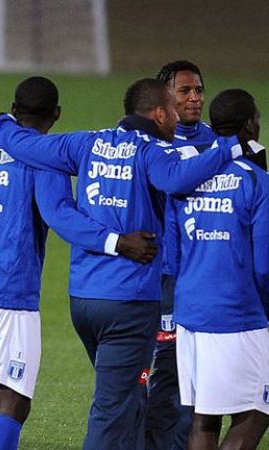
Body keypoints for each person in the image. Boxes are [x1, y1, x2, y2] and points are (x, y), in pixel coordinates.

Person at [0, 78, 250, 449]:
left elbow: (23, 144)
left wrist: (1, 123)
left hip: (84, 300)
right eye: (173, 112)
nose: (177, 120)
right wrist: (231, 149)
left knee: (128, 398)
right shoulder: (152, 151)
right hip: (130, 302)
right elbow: (176, 179)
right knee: (113, 408)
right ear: (159, 113)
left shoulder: (86, 142)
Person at [0, 76, 158, 450]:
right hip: (10, 296)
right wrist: (115, 241)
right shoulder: (45, 158)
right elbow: (59, 215)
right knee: (13, 403)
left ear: (14, 110)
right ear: (57, 115)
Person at [165, 88, 269, 449]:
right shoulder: (256, 181)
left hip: (191, 312)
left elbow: (172, 255)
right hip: (238, 315)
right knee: (256, 412)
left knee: (203, 418)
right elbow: (265, 266)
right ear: (249, 126)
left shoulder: (189, 178)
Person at [145, 60, 218, 450]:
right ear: (165, 99)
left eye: (198, 90)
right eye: (185, 91)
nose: (194, 97)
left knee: (207, 372)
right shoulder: (154, 145)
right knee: (169, 368)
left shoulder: (217, 140)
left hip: (210, 274)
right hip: (168, 276)